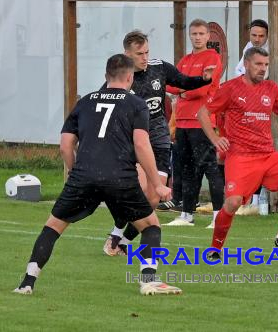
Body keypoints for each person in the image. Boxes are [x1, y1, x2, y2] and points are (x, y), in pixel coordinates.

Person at [13, 54, 181, 296]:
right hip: (120, 176)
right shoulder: (136, 104)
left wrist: (74, 172)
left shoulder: (85, 102)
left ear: (106, 77)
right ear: (130, 77)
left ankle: (27, 283)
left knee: (52, 228)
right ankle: (149, 280)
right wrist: (157, 183)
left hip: (84, 175)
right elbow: (142, 145)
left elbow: (65, 145)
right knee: (151, 226)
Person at [197, 47, 278, 261]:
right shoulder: (230, 88)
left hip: (267, 154)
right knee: (233, 203)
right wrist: (216, 139)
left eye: (265, 65)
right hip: (241, 156)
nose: (262, 69)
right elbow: (203, 113)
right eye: (258, 64)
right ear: (246, 64)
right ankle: (215, 249)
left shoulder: (271, 88)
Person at [102, 30, 215, 256]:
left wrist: (203, 79)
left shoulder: (159, 68)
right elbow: (103, 108)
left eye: (147, 52)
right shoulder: (119, 78)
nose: (145, 58)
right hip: (133, 143)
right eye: (139, 54)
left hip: (159, 141)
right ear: (127, 54)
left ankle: (123, 240)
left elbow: (182, 81)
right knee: (140, 190)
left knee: (153, 197)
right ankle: (116, 231)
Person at [165, 19, 225, 228]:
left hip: (202, 122)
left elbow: (202, 89)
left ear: (208, 36)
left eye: (201, 34)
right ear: (189, 35)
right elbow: (170, 84)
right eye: (194, 34)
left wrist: (183, 91)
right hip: (182, 122)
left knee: (210, 169)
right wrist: (183, 89)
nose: (197, 37)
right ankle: (187, 215)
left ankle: (219, 216)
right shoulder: (185, 60)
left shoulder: (213, 58)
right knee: (187, 169)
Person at [233, 19, 270, 208]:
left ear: (267, 36)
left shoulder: (266, 55)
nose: (257, 39)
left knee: (258, 156)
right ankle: (248, 199)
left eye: (261, 36)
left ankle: (257, 201)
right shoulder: (247, 48)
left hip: (260, 111)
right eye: (254, 35)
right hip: (245, 109)